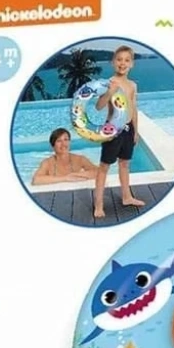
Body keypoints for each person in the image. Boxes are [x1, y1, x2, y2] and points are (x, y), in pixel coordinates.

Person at [93, 45, 146, 218]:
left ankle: (127, 197)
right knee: (104, 167)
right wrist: (110, 92)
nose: (122, 63)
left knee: (125, 164)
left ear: (132, 64)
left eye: (127, 60)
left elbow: (133, 108)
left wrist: (135, 131)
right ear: (113, 62)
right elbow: (99, 106)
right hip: (113, 130)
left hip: (128, 129)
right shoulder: (109, 83)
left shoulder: (132, 85)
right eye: (119, 59)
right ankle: (98, 205)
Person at [30, 128, 97, 185]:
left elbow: (98, 172)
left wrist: (75, 175)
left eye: (66, 140)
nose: (63, 144)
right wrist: (65, 178)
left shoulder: (80, 159)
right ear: (53, 146)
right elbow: (36, 180)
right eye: (59, 141)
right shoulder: (47, 163)